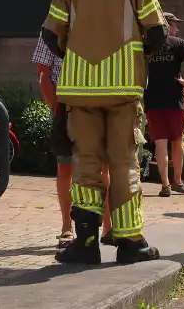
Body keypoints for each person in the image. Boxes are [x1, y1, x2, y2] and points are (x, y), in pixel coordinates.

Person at [42, 0, 169, 265]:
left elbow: (51, 36)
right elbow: (158, 33)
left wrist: (77, 52)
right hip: (123, 91)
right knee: (123, 162)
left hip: (79, 90)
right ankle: (130, 242)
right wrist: (135, 56)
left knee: (85, 162)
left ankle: (85, 243)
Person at [31, 32, 112, 247]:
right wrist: (56, 108)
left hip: (97, 104)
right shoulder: (53, 28)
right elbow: (42, 73)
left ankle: (108, 228)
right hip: (65, 105)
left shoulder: (99, 22)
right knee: (65, 167)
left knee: (102, 167)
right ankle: (67, 227)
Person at [144, 11, 184, 197]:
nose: (177, 28)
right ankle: (178, 181)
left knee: (160, 142)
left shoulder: (147, 45)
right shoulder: (178, 44)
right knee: (177, 140)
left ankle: (165, 184)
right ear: (167, 25)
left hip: (153, 99)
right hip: (174, 100)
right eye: (174, 24)